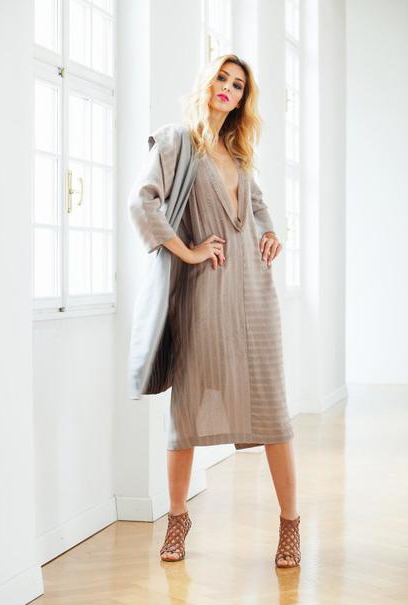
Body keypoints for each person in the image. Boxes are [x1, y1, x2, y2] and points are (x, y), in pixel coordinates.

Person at [128, 54, 300, 568]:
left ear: (244, 99)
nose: (228, 88)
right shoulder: (177, 142)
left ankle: (290, 524)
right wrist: (186, 251)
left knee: (272, 412)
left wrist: (270, 233)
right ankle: (177, 518)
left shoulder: (238, 152)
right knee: (185, 414)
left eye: (238, 85)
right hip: (203, 295)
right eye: (222, 78)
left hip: (255, 293)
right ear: (207, 83)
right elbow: (142, 201)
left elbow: (257, 204)